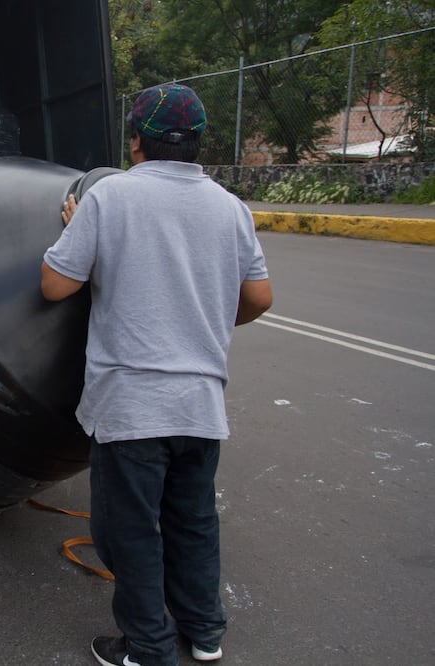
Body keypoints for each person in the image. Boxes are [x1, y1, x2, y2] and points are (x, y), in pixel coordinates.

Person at [41, 84, 273, 666]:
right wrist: (204, 319)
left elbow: (55, 285)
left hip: (132, 408)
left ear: (136, 141)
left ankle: (147, 648)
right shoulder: (230, 207)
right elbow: (259, 298)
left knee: (130, 532)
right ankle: (205, 632)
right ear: (198, 142)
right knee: (193, 523)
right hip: (200, 405)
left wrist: (75, 230)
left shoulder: (111, 197)